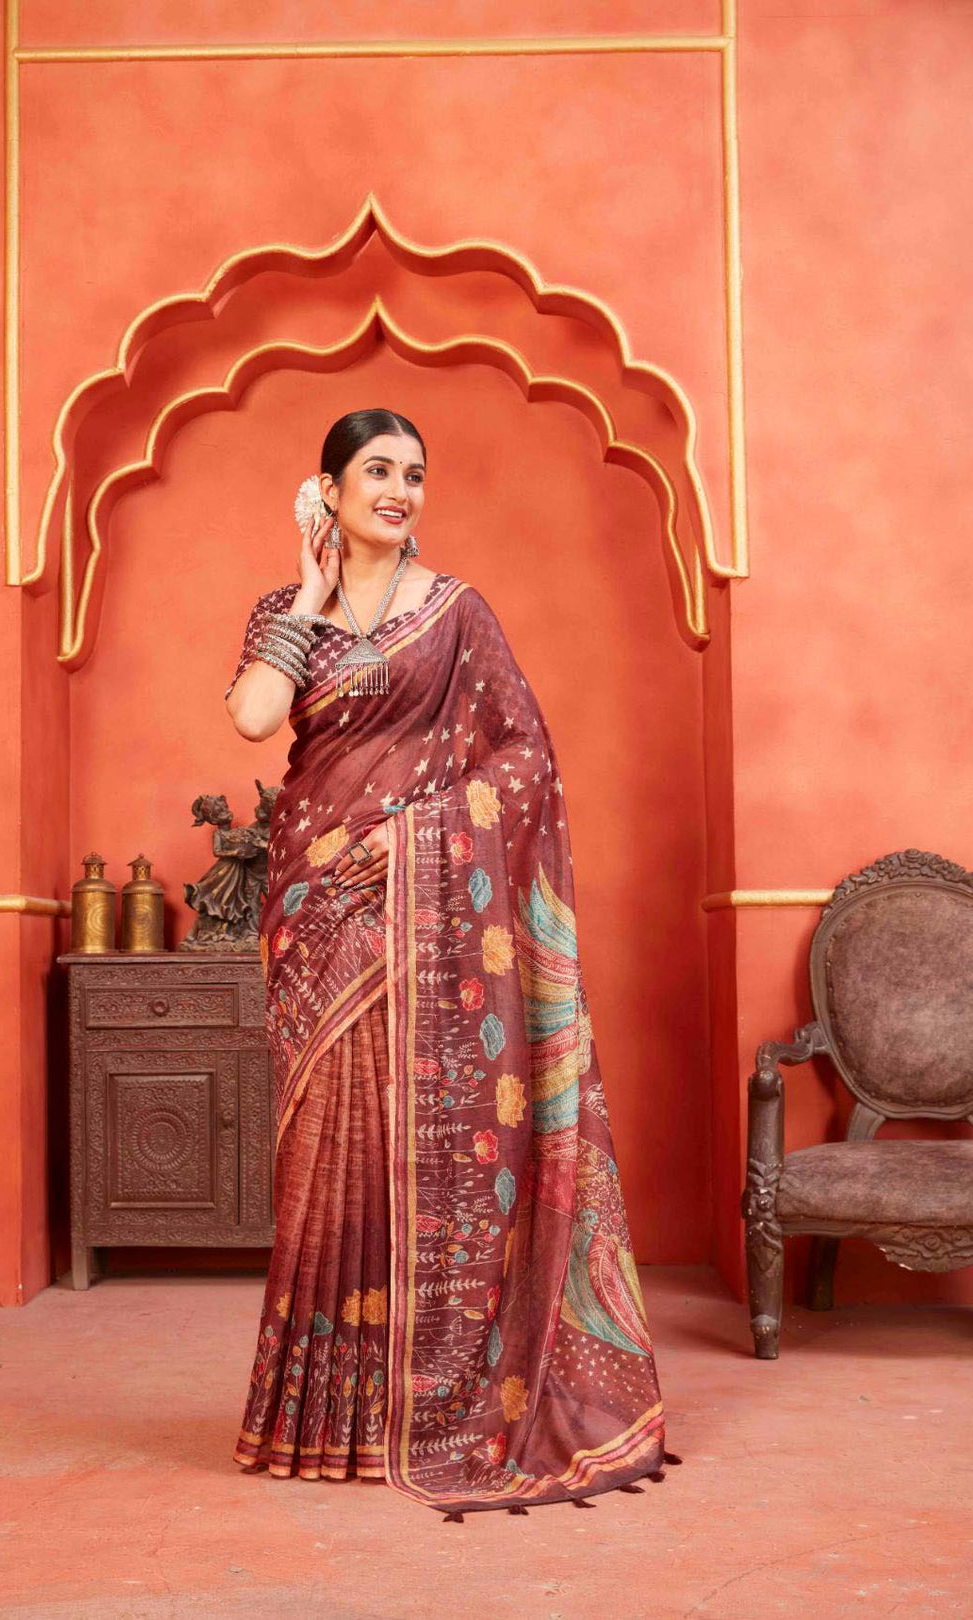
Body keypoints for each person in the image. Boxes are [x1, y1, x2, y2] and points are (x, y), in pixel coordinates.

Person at [225, 408, 676, 1518]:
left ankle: (424, 1405)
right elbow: (252, 719)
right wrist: (312, 591)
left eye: (415, 475)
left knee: (408, 1148)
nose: (400, 490)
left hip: (410, 908)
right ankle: (320, 1417)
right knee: (320, 1163)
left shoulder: (457, 616)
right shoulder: (289, 616)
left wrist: (417, 837)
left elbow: (525, 753)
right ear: (325, 489)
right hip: (317, 910)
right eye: (376, 471)